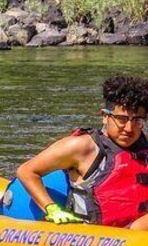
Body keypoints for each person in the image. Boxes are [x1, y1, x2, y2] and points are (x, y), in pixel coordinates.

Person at [16, 74, 148, 230]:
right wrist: (51, 208)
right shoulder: (83, 147)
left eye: (137, 121)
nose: (129, 128)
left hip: (135, 236)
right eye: (121, 119)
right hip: (94, 239)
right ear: (105, 116)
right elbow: (26, 171)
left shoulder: (144, 149)